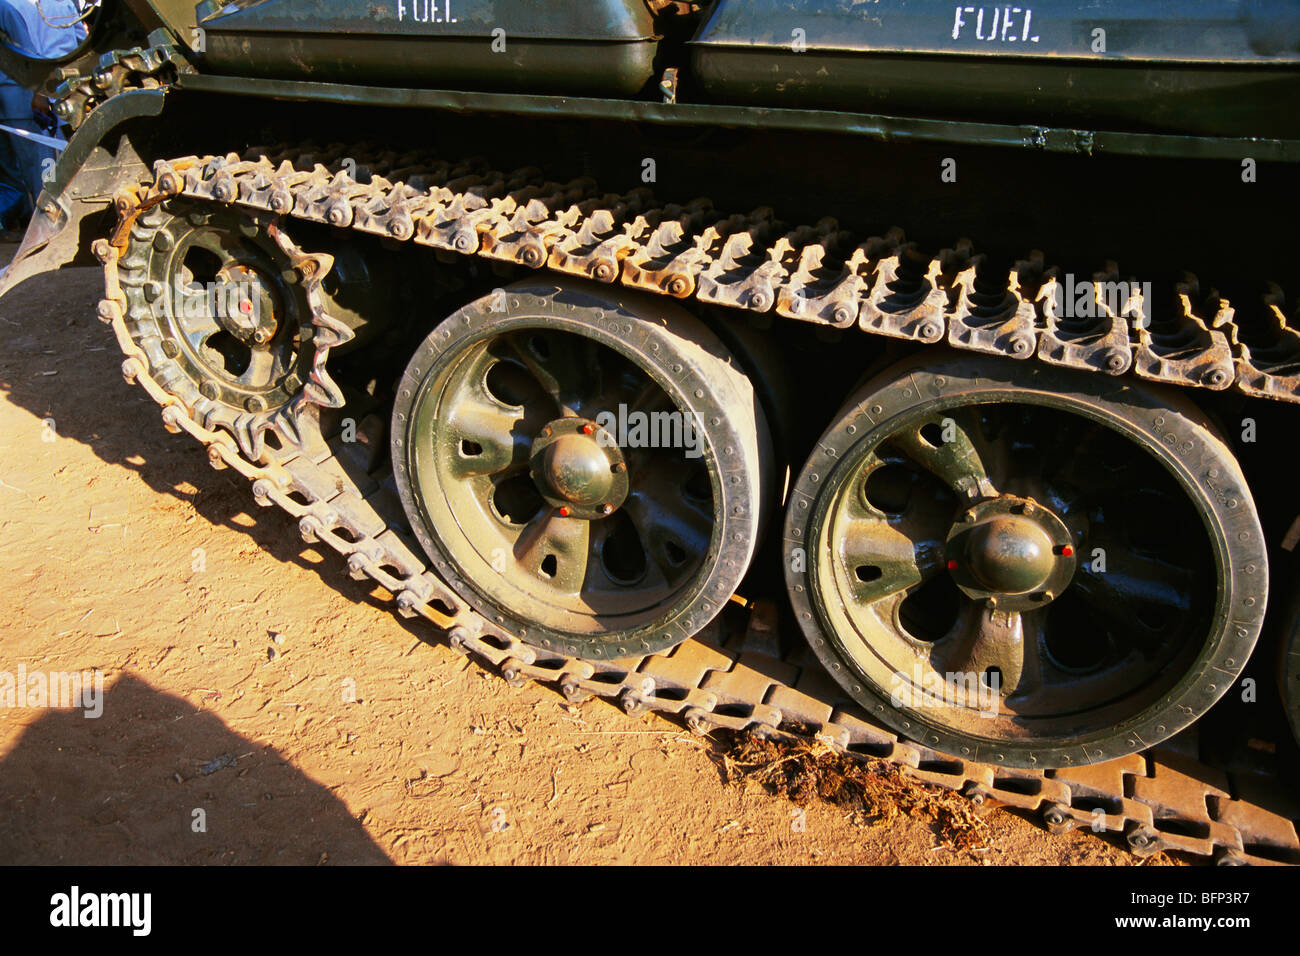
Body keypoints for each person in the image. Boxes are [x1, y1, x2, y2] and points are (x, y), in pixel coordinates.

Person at [0, 0, 85, 234]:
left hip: (25, 97)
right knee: (46, 162)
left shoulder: (8, 7)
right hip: (60, 88)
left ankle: (47, 225)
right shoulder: (65, 3)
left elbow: (27, 53)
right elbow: (81, 42)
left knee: (38, 167)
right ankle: (37, 222)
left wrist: (38, 92)